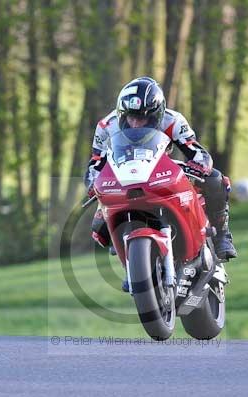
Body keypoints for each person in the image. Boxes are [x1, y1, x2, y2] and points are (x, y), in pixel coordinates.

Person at [84, 76, 238, 261]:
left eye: (144, 118)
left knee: (215, 180)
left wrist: (201, 165)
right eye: (131, 117)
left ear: (157, 114)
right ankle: (131, 259)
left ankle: (222, 235)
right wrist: (92, 183)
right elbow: (95, 162)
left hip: (159, 168)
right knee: (99, 227)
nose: (136, 124)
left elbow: (196, 151)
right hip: (123, 174)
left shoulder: (173, 120)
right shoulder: (106, 126)